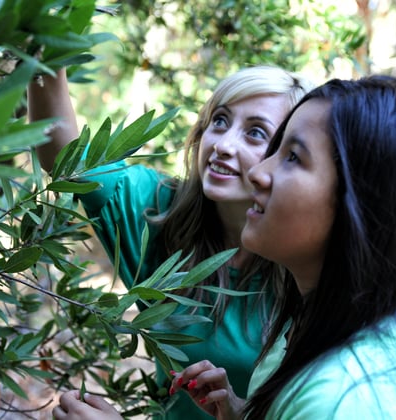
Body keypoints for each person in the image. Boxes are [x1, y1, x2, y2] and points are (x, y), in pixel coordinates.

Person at [165, 76, 396, 419]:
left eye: (292, 157)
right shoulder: (307, 326)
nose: (258, 173)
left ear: (364, 204)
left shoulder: (345, 400)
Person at [28, 65, 316, 419]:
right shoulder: (158, 212)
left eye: (255, 133)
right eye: (220, 121)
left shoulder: (306, 265)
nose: (223, 145)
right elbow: (66, 158)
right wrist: (43, 54)